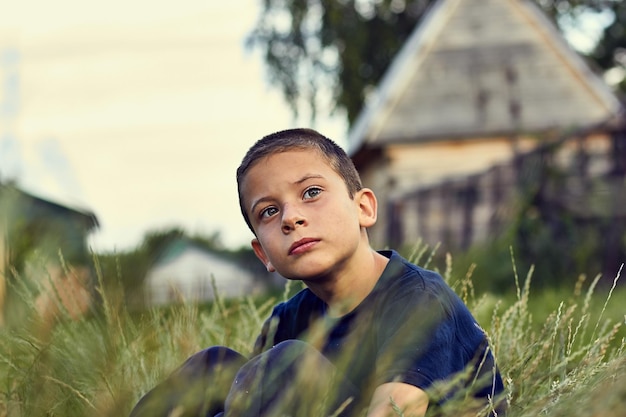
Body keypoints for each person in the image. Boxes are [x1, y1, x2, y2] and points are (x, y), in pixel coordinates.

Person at [129, 128, 506, 417]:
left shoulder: (418, 299)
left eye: (310, 192)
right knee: (214, 366)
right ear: (264, 255)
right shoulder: (288, 320)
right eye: (269, 212)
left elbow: (397, 407)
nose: (291, 217)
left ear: (364, 208)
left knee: (287, 364)